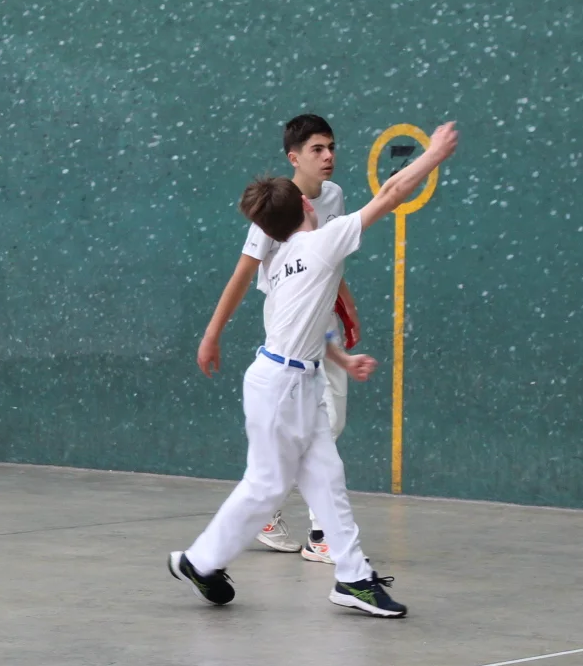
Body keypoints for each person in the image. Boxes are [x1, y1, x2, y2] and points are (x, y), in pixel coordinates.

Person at [169, 122, 459, 618]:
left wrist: (341, 358)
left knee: (327, 478)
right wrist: (433, 154)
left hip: (295, 379)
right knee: (266, 487)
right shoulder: (321, 244)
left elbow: (312, 322)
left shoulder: (282, 261)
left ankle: (353, 577)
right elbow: (391, 194)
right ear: (306, 206)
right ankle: (198, 561)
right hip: (281, 387)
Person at [196, 115, 361, 565]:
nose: (328, 157)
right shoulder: (273, 214)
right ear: (294, 157)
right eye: (317, 150)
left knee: (330, 422)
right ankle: (318, 532)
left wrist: (347, 306)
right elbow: (241, 276)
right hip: (289, 322)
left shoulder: (334, 195)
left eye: (331, 147)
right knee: (315, 423)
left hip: (324, 313)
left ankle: (271, 506)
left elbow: (332, 258)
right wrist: (212, 335)